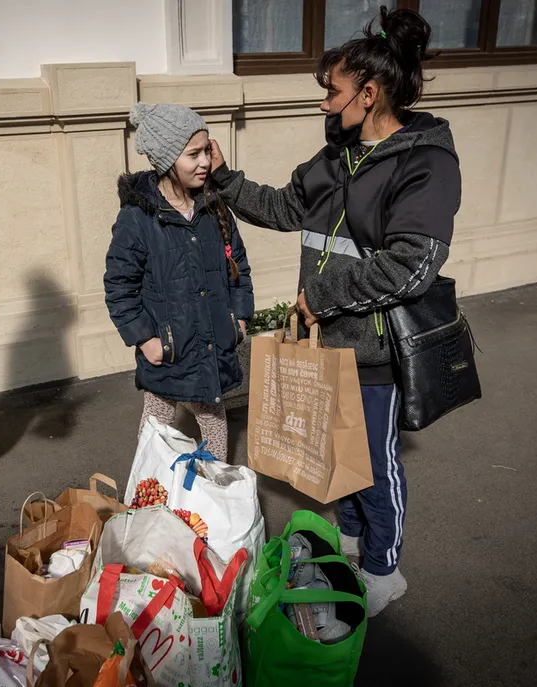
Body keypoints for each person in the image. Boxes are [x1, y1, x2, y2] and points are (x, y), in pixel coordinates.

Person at [209, 8, 460, 616]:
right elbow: (283, 206)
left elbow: (411, 266)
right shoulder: (335, 158)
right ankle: (350, 542)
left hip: (375, 347)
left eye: (334, 91)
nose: (325, 103)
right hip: (327, 344)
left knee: (375, 464)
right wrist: (223, 178)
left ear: (369, 94)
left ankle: (384, 569)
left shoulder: (425, 164)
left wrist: (318, 298)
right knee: (338, 454)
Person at [105, 103, 254, 462]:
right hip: (167, 351)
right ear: (166, 159)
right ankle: (148, 500)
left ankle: (213, 497)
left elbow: (239, 268)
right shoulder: (138, 218)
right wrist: (145, 339)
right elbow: (119, 286)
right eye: (193, 154)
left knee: (215, 423)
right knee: (156, 431)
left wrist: (239, 318)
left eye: (207, 150)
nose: (205, 161)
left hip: (211, 345)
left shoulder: (215, 206)